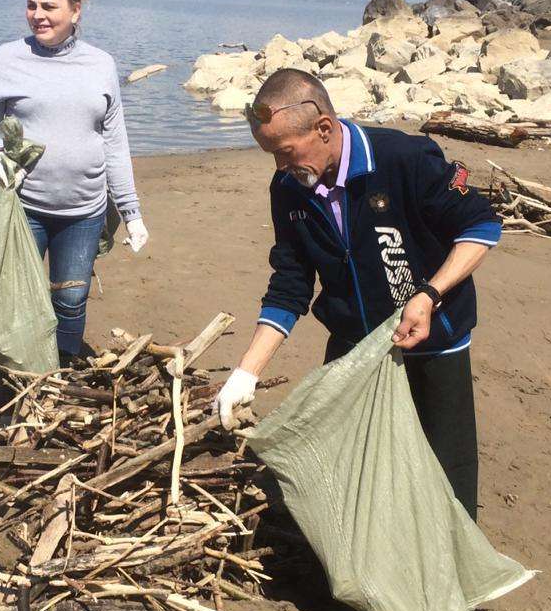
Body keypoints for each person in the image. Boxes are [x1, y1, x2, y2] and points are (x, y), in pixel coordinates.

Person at [214, 68, 502, 520]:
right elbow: (290, 285)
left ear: (324, 128)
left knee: (446, 470)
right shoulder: (289, 189)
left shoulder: (404, 157)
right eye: (271, 155)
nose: (280, 168)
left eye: (286, 152)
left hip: (436, 342)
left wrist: (428, 294)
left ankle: (448, 574)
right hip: (353, 345)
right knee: (352, 467)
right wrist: (246, 374)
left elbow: (481, 224)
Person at [0, 0, 148, 365]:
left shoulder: (101, 65)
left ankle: (60, 374)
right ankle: (19, 377)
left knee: (70, 298)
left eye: (49, 6)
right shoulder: (5, 59)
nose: (38, 14)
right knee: (15, 299)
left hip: (84, 211)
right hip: (21, 208)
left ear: (75, 11)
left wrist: (131, 213)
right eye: (31, 5)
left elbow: (115, 142)